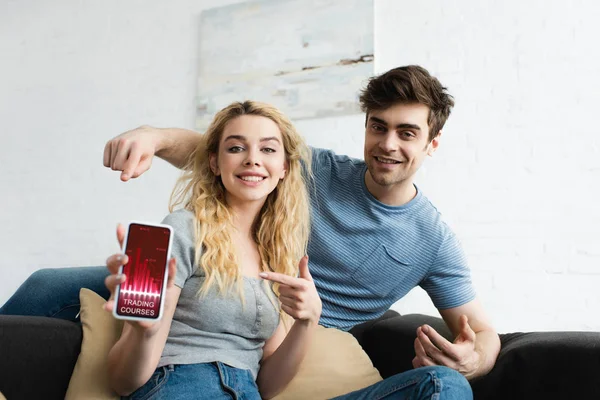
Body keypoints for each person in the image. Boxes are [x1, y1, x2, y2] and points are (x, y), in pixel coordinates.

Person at [1, 65, 499, 383]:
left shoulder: (432, 239)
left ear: (431, 144)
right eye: (378, 126)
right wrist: (153, 136)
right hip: (219, 283)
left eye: (407, 133)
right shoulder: (312, 169)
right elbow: (223, 151)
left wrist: (475, 359)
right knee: (52, 286)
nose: (388, 143)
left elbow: (480, 332)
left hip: (286, 329)